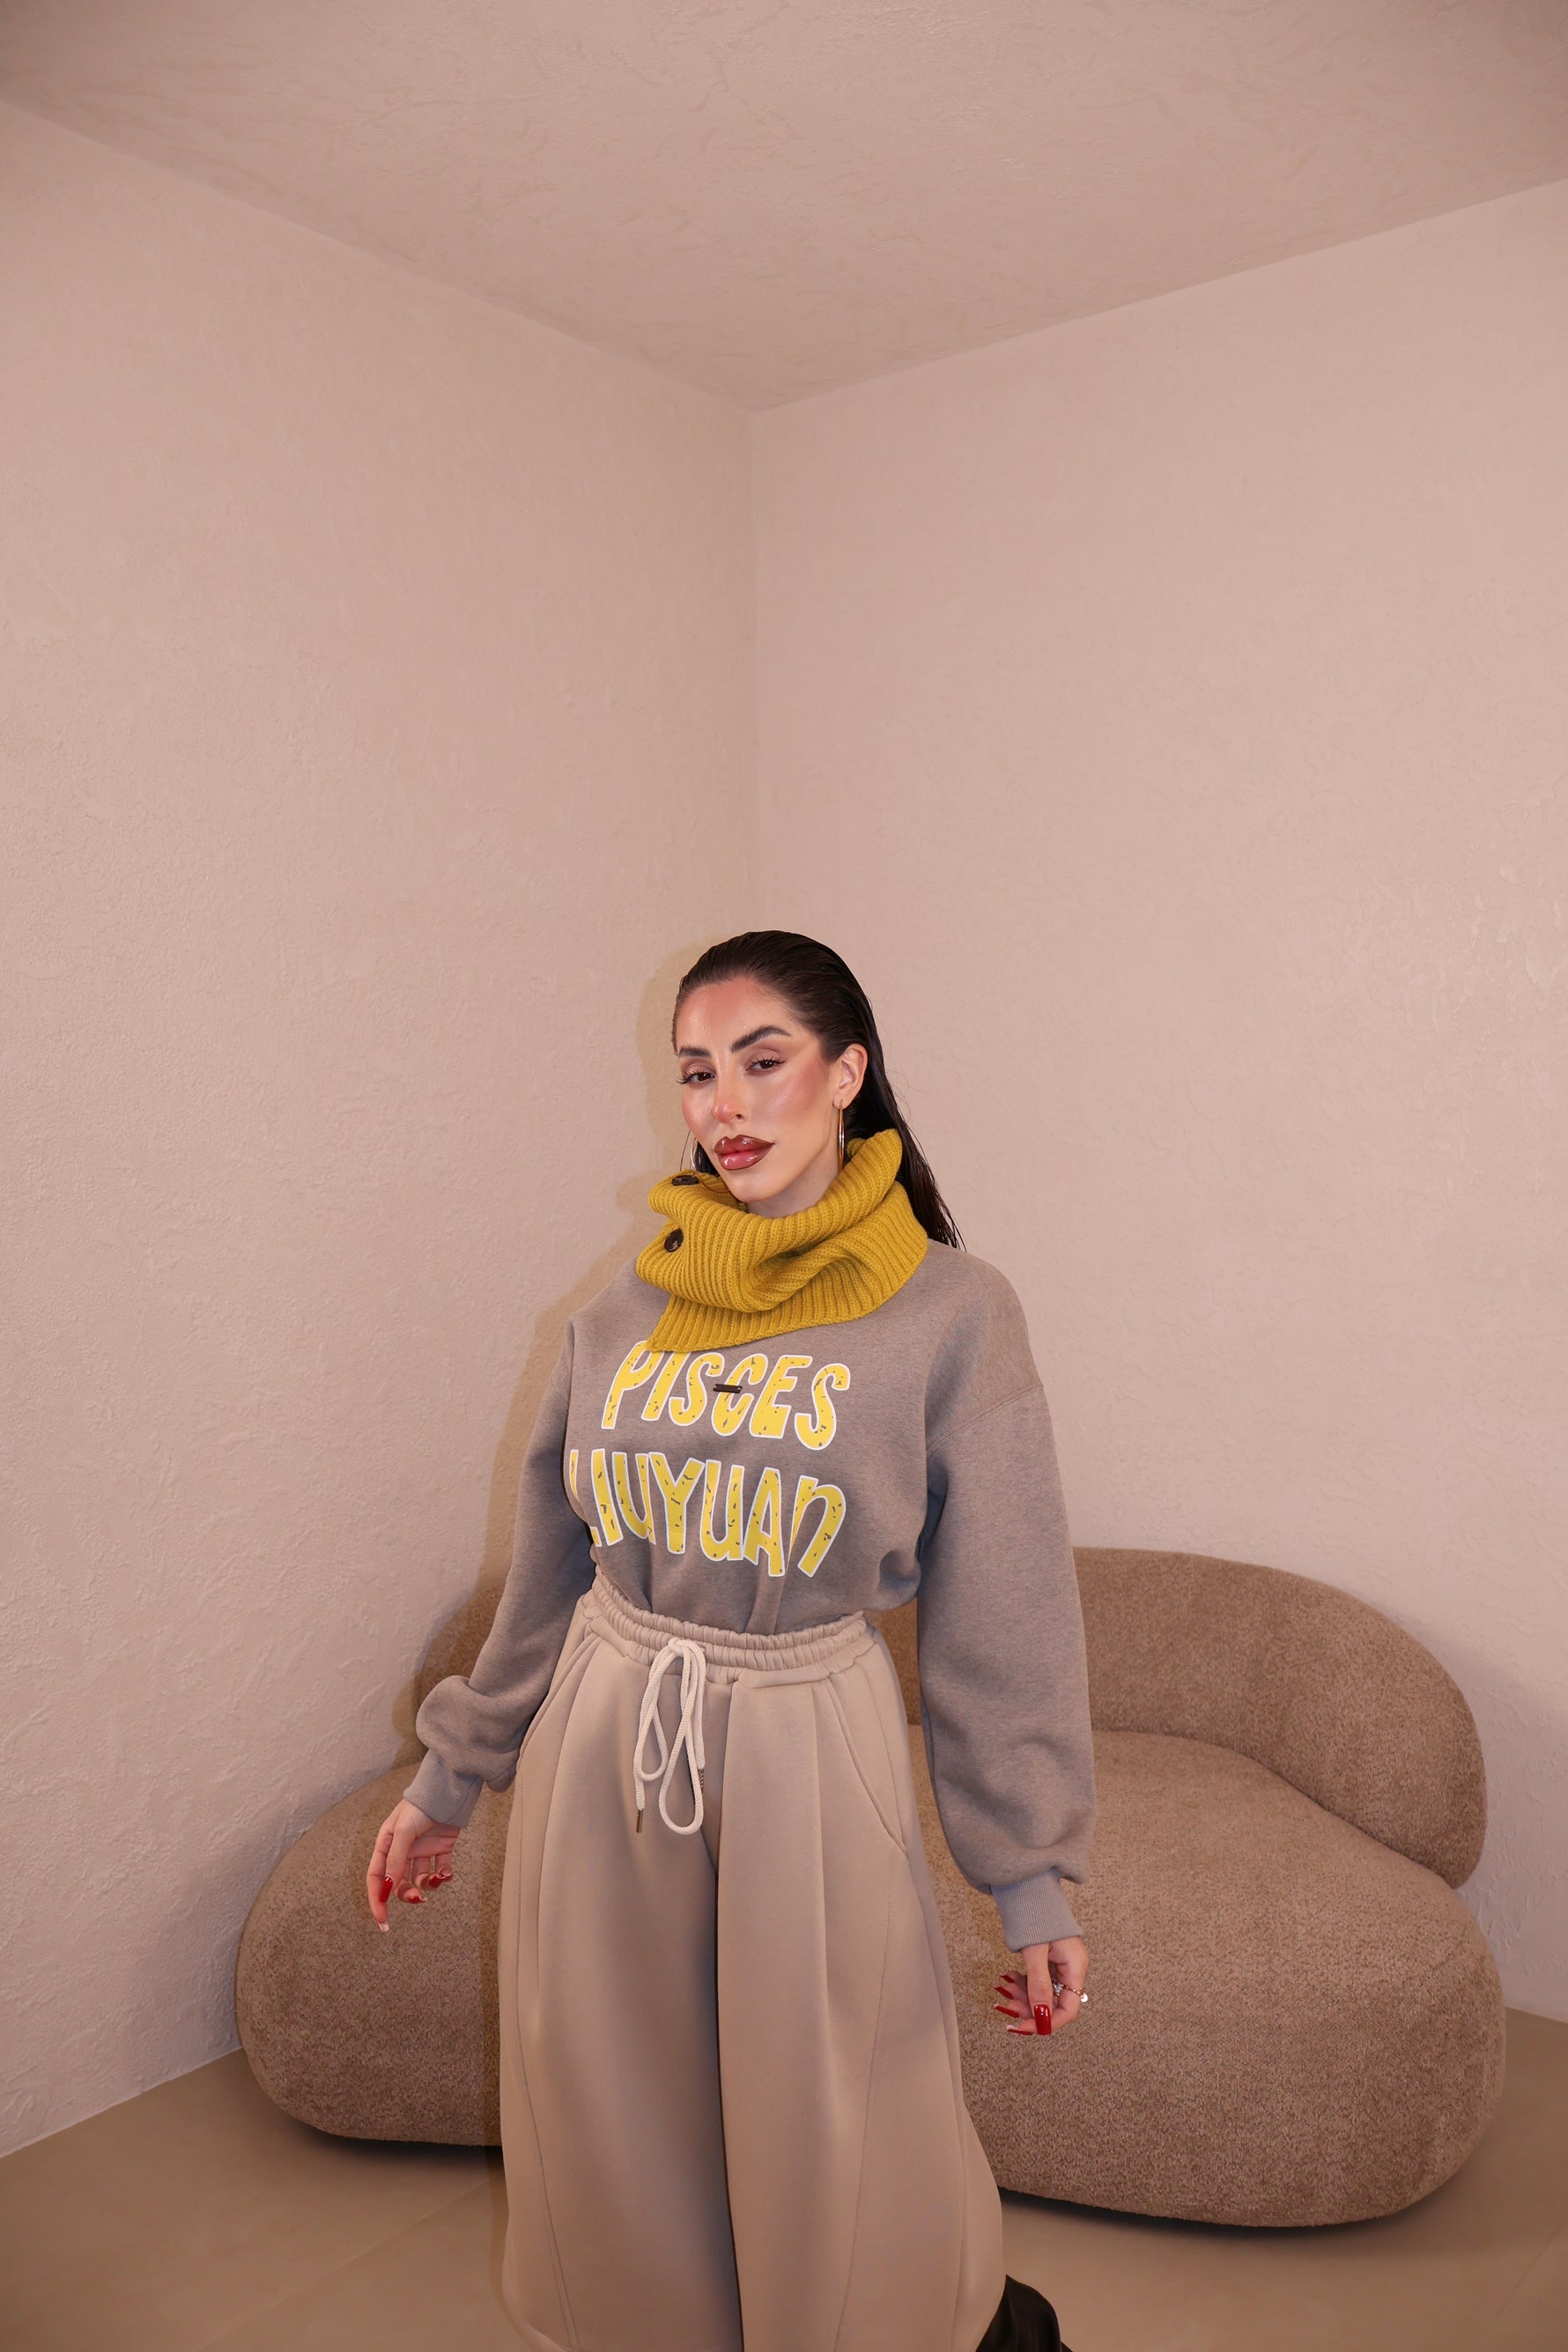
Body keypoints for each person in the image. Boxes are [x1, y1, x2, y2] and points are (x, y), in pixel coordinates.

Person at [366, 928, 1096, 2352]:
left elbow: (1006, 1610)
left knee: (838, 2103)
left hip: (801, 1738)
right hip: (606, 1734)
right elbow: (553, 1559)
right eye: (699, 1071)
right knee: (611, 2101)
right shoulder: (629, 1301)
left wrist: (1032, 1881)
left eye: (765, 1061)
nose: (727, 1104)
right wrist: (451, 1775)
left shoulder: (953, 1312)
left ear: (848, 1071)